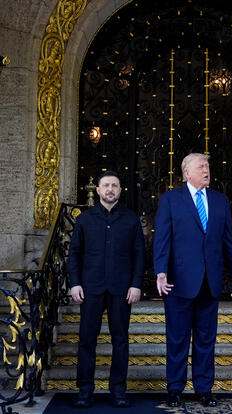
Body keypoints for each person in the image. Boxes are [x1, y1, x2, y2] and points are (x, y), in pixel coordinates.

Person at [153, 153, 232, 408]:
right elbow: (162, 239)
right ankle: (175, 389)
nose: (206, 170)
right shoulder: (170, 200)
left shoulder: (220, 201)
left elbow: (227, 241)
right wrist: (160, 271)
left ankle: (204, 389)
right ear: (187, 172)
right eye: (201, 166)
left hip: (210, 282)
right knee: (177, 339)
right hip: (178, 282)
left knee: (206, 340)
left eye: (208, 166)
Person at [67, 170, 145, 408]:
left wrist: (136, 284)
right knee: (86, 340)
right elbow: (74, 254)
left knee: (120, 340)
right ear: (98, 190)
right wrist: (74, 283)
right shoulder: (85, 219)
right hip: (90, 288)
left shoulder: (131, 219)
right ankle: (85, 391)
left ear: (120, 190)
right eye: (106, 185)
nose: (110, 189)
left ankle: (118, 391)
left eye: (114, 185)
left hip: (121, 289)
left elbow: (139, 255)